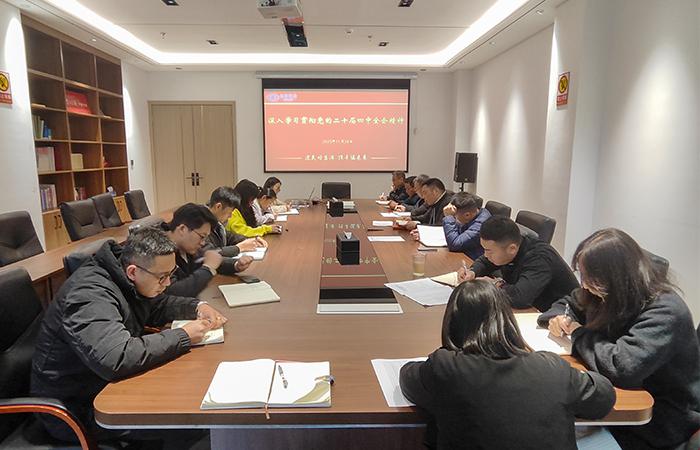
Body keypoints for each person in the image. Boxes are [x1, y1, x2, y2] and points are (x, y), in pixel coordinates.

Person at [31, 228, 225, 447]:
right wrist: (183, 336)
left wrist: (197, 306)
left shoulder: (124, 277)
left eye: (170, 275)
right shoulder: (89, 294)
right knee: (187, 422)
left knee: (190, 397)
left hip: (105, 385)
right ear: (133, 271)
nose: (168, 284)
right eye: (162, 277)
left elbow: (156, 305)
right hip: (76, 408)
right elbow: (116, 357)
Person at [399, 280, 615, 450]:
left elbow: (407, 377)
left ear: (453, 323)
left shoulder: (446, 367)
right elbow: (604, 396)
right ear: (507, 320)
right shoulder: (552, 368)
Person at [539, 228, 700, 450]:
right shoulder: (603, 293)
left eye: (589, 277)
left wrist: (577, 333)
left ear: (616, 276)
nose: (584, 284)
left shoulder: (666, 311)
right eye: (582, 275)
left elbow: (621, 366)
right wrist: (560, 318)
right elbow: (569, 302)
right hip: (612, 404)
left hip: (654, 421)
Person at [458, 216, 579, 311]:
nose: (485, 254)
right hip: (534, 309)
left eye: (489, 251)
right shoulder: (509, 248)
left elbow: (520, 298)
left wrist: (495, 284)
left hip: (559, 316)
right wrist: (472, 272)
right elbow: (485, 261)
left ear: (512, 248)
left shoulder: (539, 258)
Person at [163, 203, 251, 298]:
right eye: (202, 237)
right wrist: (208, 268)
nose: (203, 243)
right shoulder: (160, 250)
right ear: (182, 229)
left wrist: (236, 265)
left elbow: (208, 260)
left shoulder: (187, 246)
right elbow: (174, 291)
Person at [206, 186, 267, 263]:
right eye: (230, 212)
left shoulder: (215, 221)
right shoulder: (200, 223)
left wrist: (249, 240)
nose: (230, 216)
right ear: (218, 206)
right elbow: (208, 253)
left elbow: (228, 236)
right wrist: (239, 248)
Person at [442, 192, 491, 259]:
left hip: (473, 259)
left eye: (454, 216)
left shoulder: (481, 225)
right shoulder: (473, 214)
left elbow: (455, 245)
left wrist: (449, 217)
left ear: (467, 215)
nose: (454, 220)